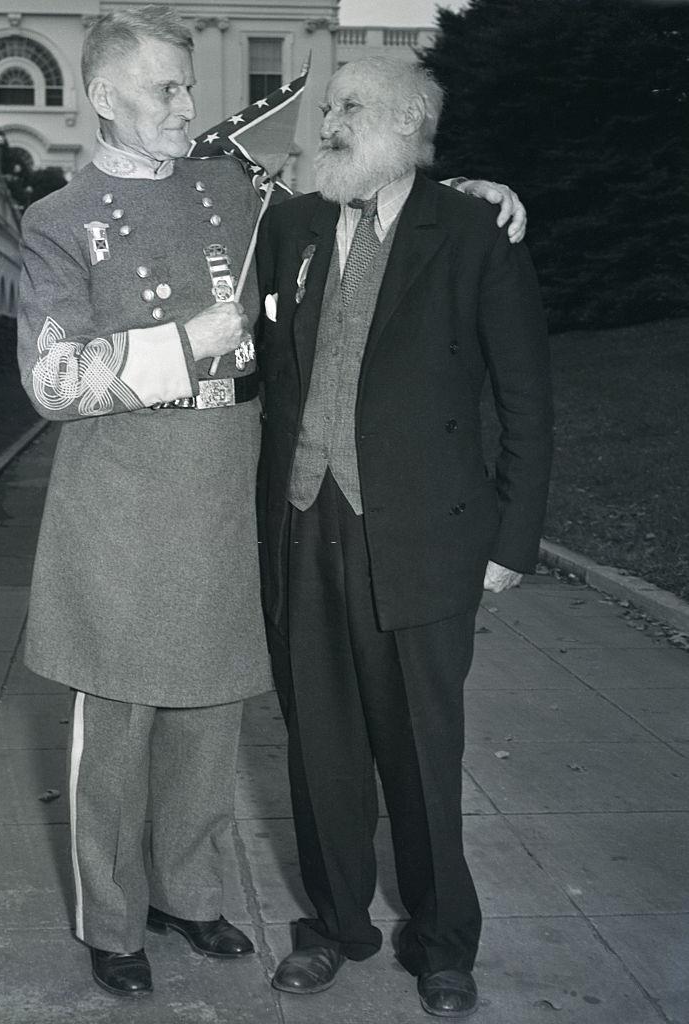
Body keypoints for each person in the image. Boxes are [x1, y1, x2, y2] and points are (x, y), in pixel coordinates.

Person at [17, 5, 528, 1001]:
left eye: (185, 84)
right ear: (105, 101)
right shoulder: (59, 219)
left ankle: (189, 892)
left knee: (210, 713)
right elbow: (50, 380)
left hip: (224, 499)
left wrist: (466, 190)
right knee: (117, 728)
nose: (186, 103)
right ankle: (114, 918)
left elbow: (364, 198)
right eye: (163, 88)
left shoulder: (232, 194)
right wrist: (180, 345)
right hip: (120, 506)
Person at [255, 57, 553, 1019]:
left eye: (349, 109)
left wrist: (512, 541)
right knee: (320, 746)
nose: (328, 123)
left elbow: (527, 405)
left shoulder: (472, 232)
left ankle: (440, 941)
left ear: (411, 123)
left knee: (422, 749)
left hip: (424, 538)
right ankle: (335, 924)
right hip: (305, 526)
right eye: (328, 107)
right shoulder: (293, 226)